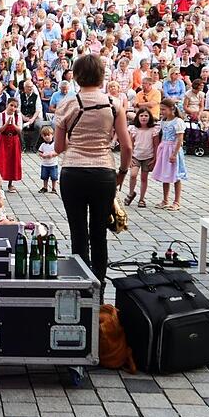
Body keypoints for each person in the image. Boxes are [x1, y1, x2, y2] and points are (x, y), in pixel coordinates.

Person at [54, 54, 132, 289]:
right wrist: (122, 172)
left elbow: (58, 147)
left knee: (78, 232)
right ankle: (99, 285)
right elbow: (127, 146)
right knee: (99, 232)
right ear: (102, 75)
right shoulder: (113, 103)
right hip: (103, 172)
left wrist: (76, 143)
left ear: (76, 76)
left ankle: (82, 285)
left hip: (73, 172)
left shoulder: (67, 103)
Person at [151, 99, 187, 210]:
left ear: (172, 109)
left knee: (175, 175)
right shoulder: (163, 121)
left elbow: (180, 139)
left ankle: (177, 201)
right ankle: (165, 199)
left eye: (163, 109)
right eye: (161, 109)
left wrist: (174, 154)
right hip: (164, 148)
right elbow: (162, 136)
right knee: (165, 174)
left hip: (173, 149)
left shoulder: (178, 122)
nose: (161, 111)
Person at [124, 109, 159, 208]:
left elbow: (156, 145)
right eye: (141, 116)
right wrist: (129, 158)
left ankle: (142, 199)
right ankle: (131, 193)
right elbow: (130, 144)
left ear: (150, 117)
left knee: (144, 178)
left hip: (148, 156)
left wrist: (155, 158)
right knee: (133, 175)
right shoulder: (134, 129)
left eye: (146, 116)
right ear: (137, 117)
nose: (144, 118)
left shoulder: (154, 130)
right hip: (135, 156)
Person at [0, 98, 23, 193]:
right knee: (0, 161)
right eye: (11, 105)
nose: (13, 108)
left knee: (13, 161)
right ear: (7, 105)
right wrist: (6, 124)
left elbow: (19, 130)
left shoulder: (18, 116)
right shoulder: (1, 115)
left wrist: (13, 124)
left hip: (14, 140)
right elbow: (0, 130)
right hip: (3, 139)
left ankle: (10, 183)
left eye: (15, 106)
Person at [37, 126, 59, 194]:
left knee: (54, 177)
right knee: (44, 176)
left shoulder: (54, 144)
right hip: (45, 164)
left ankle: (54, 188)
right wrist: (42, 155)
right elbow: (39, 152)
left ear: (52, 135)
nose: (47, 137)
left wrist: (52, 155)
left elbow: (57, 152)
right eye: (45, 135)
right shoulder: (43, 145)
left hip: (53, 164)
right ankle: (45, 187)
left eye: (48, 135)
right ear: (42, 136)